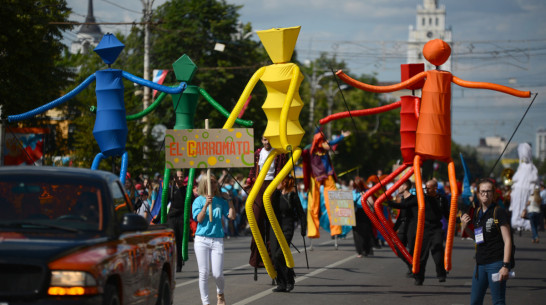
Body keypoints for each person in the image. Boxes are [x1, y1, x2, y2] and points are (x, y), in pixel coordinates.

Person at [461, 179, 513, 305]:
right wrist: (465, 226)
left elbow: (508, 240)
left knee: (498, 301)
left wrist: (505, 266)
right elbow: (477, 238)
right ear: (477, 194)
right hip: (480, 264)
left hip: (496, 263)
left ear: (493, 194)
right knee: (475, 301)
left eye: (489, 191)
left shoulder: (498, 212)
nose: (485, 194)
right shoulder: (478, 212)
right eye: (482, 191)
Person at [245, 135, 287, 279]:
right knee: (256, 222)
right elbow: (252, 171)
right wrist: (249, 182)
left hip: (273, 186)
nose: (266, 142)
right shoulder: (257, 153)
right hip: (259, 185)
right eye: (264, 139)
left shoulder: (279, 153)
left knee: (271, 224)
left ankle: (272, 260)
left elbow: (283, 170)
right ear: (261, 141)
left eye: (268, 139)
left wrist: (281, 183)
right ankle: (257, 259)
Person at [192, 175, 235, 305]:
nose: (214, 184)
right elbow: (198, 219)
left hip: (217, 239)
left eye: (215, 182)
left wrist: (229, 200)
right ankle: (205, 302)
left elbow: (231, 216)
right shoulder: (198, 200)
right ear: (204, 184)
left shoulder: (221, 200)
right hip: (201, 240)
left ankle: (220, 293)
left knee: (217, 274)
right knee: (203, 273)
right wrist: (205, 205)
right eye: (211, 182)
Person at [307, 129, 351, 239]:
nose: (326, 143)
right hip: (316, 176)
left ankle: (336, 229)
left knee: (334, 201)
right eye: (323, 140)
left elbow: (331, 143)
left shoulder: (324, 147)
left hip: (327, 174)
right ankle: (313, 230)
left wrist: (341, 137)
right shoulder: (311, 149)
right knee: (313, 203)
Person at [270, 176, 306, 292]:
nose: (276, 184)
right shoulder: (276, 194)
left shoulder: (292, 196)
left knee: (280, 254)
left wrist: (303, 228)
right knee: (275, 257)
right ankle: (281, 283)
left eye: (278, 181)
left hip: (287, 227)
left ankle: (290, 279)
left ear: (284, 183)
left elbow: (301, 213)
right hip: (276, 227)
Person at [414, 179, 450, 285]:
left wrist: (456, 219)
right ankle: (419, 278)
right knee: (422, 255)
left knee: (438, 249)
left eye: (428, 188)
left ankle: (441, 273)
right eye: (425, 188)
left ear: (435, 188)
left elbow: (446, 213)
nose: (426, 190)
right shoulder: (422, 198)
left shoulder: (441, 199)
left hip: (436, 227)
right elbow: (408, 203)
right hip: (424, 227)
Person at [167, 170, 192, 273]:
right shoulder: (170, 190)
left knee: (180, 242)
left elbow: (193, 201)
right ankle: (171, 263)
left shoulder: (186, 190)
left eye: (182, 177)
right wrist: (157, 218)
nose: (180, 179)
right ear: (174, 178)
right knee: (172, 241)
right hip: (172, 217)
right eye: (178, 177)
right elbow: (163, 205)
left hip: (182, 217)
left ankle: (179, 263)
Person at [351, 176, 374, 258]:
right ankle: (359, 250)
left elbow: (371, 203)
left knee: (365, 232)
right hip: (355, 213)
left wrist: (364, 197)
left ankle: (366, 249)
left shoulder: (366, 191)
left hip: (364, 212)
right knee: (356, 233)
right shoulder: (353, 192)